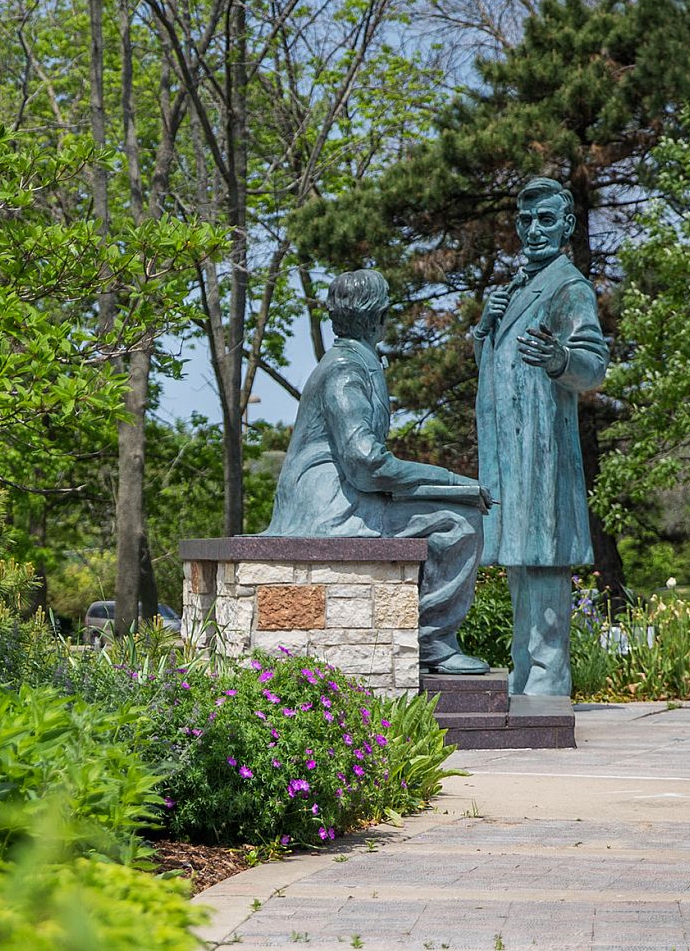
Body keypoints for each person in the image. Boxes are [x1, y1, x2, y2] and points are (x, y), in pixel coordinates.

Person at [261, 269, 490, 674]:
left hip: (343, 499)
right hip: (332, 511)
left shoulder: (353, 364)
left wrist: (447, 485)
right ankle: (432, 641)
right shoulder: (345, 370)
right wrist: (453, 482)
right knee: (461, 521)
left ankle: (428, 638)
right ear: (379, 318)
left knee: (454, 509)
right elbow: (367, 463)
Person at [474, 177, 611, 697]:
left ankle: (548, 684)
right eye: (526, 220)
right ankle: (524, 676)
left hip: (543, 452)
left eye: (545, 220)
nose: (533, 231)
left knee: (544, 562)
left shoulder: (568, 287)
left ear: (567, 226)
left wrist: (560, 360)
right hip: (509, 454)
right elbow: (498, 369)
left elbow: (594, 366)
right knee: (520, 566)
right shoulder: (512, 289)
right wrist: (484, 332)